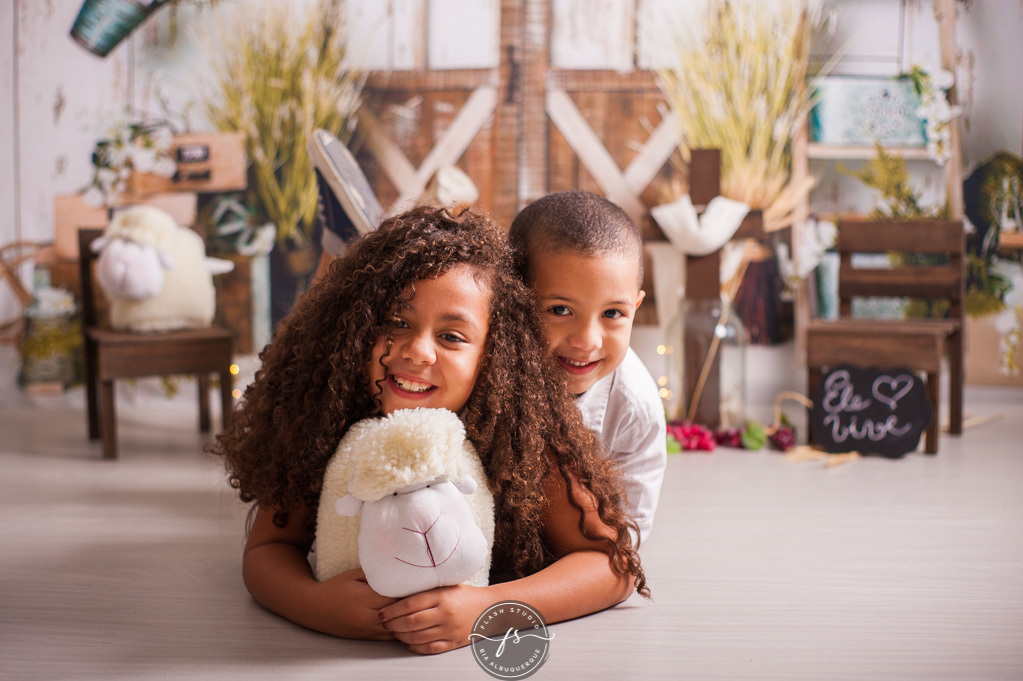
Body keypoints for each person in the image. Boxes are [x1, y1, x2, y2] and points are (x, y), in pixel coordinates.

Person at [213, 205, 647, 655]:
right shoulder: (321, 423)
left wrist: (490, 609)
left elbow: (612, 566)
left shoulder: (521, 438)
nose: (418, 352)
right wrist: (317, 605)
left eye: (451, 336)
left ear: (493, 354)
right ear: (354, 328)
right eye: (397, 323)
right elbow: (267, 549)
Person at [508, 191, 667, 545]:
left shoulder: (635, 411)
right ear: (514, 297)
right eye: (560, 310)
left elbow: (622, 549)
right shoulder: (479, 369)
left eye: (613, 314)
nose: (587, 341)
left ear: (635, 307)